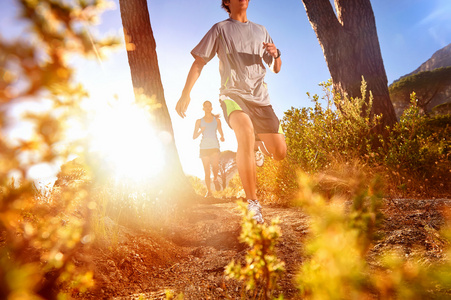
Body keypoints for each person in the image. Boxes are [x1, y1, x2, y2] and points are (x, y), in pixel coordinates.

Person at [176, 0, 287, 223]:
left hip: (261, 100)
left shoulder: (261, 30)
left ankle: (257, 144)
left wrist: (276, 55)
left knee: (279, 153)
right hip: (232, 95)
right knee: (244, 132)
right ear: (227, 2)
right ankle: (253, 204)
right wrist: (185, 93)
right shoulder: (220, 29)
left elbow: (276, 68)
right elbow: (199, 62)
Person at [193, 100, 225, 197]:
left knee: (215, 166)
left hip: (214, 146)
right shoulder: (199, 121)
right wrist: (200, 131)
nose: (207, 108)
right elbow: (194, 136)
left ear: (211, 108)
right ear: (203, 108)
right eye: (205, 106)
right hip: (204, 148)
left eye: (209, 106)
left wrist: (222, 136)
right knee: (207, 170)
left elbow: (220, 130)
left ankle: (215, 179)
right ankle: (209, 191)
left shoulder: (217, 121)